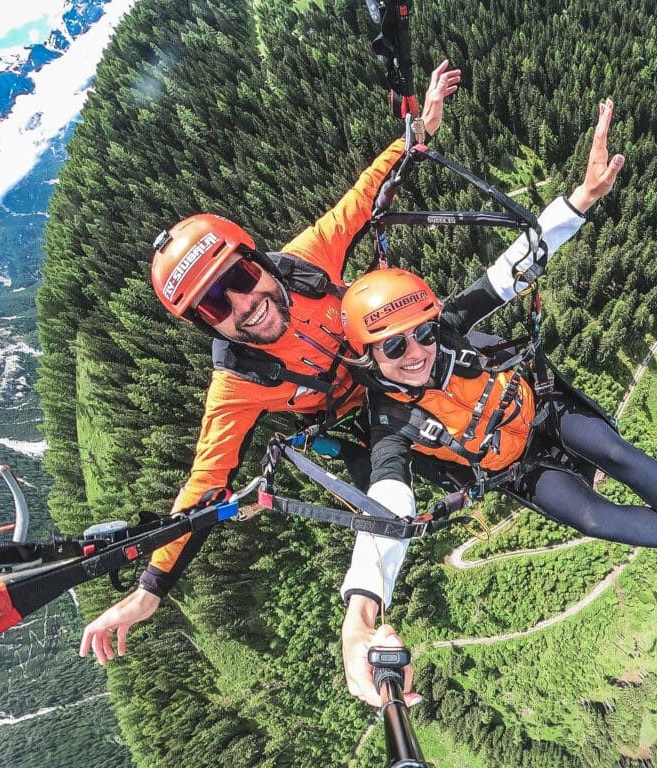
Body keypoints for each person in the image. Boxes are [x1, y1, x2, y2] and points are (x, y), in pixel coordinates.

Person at [338, 99, 657, 707]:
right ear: (366, 355)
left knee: (615, 452)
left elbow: (511, 270)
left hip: (541, 407)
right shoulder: (389, 425)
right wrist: (363, 611)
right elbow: (387, 511)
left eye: (424, 332)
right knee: (595, 519)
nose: (417, 351)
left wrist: (581, 199)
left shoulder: (451, 325)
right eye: (393, 345)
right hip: (512, 465)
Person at [78, 61, 462, 665]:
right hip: (348, 423)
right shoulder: (236, 385)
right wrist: (150, 590)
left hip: (389, 364)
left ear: (256, 260)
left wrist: (419, 132)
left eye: (237, 277)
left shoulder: (306, 263)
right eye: (213, 304)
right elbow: (205, 486)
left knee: (472, 370)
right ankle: (363, 621)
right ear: (205, 324)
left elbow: (362, 199)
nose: (242, 306)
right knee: (391, 494)